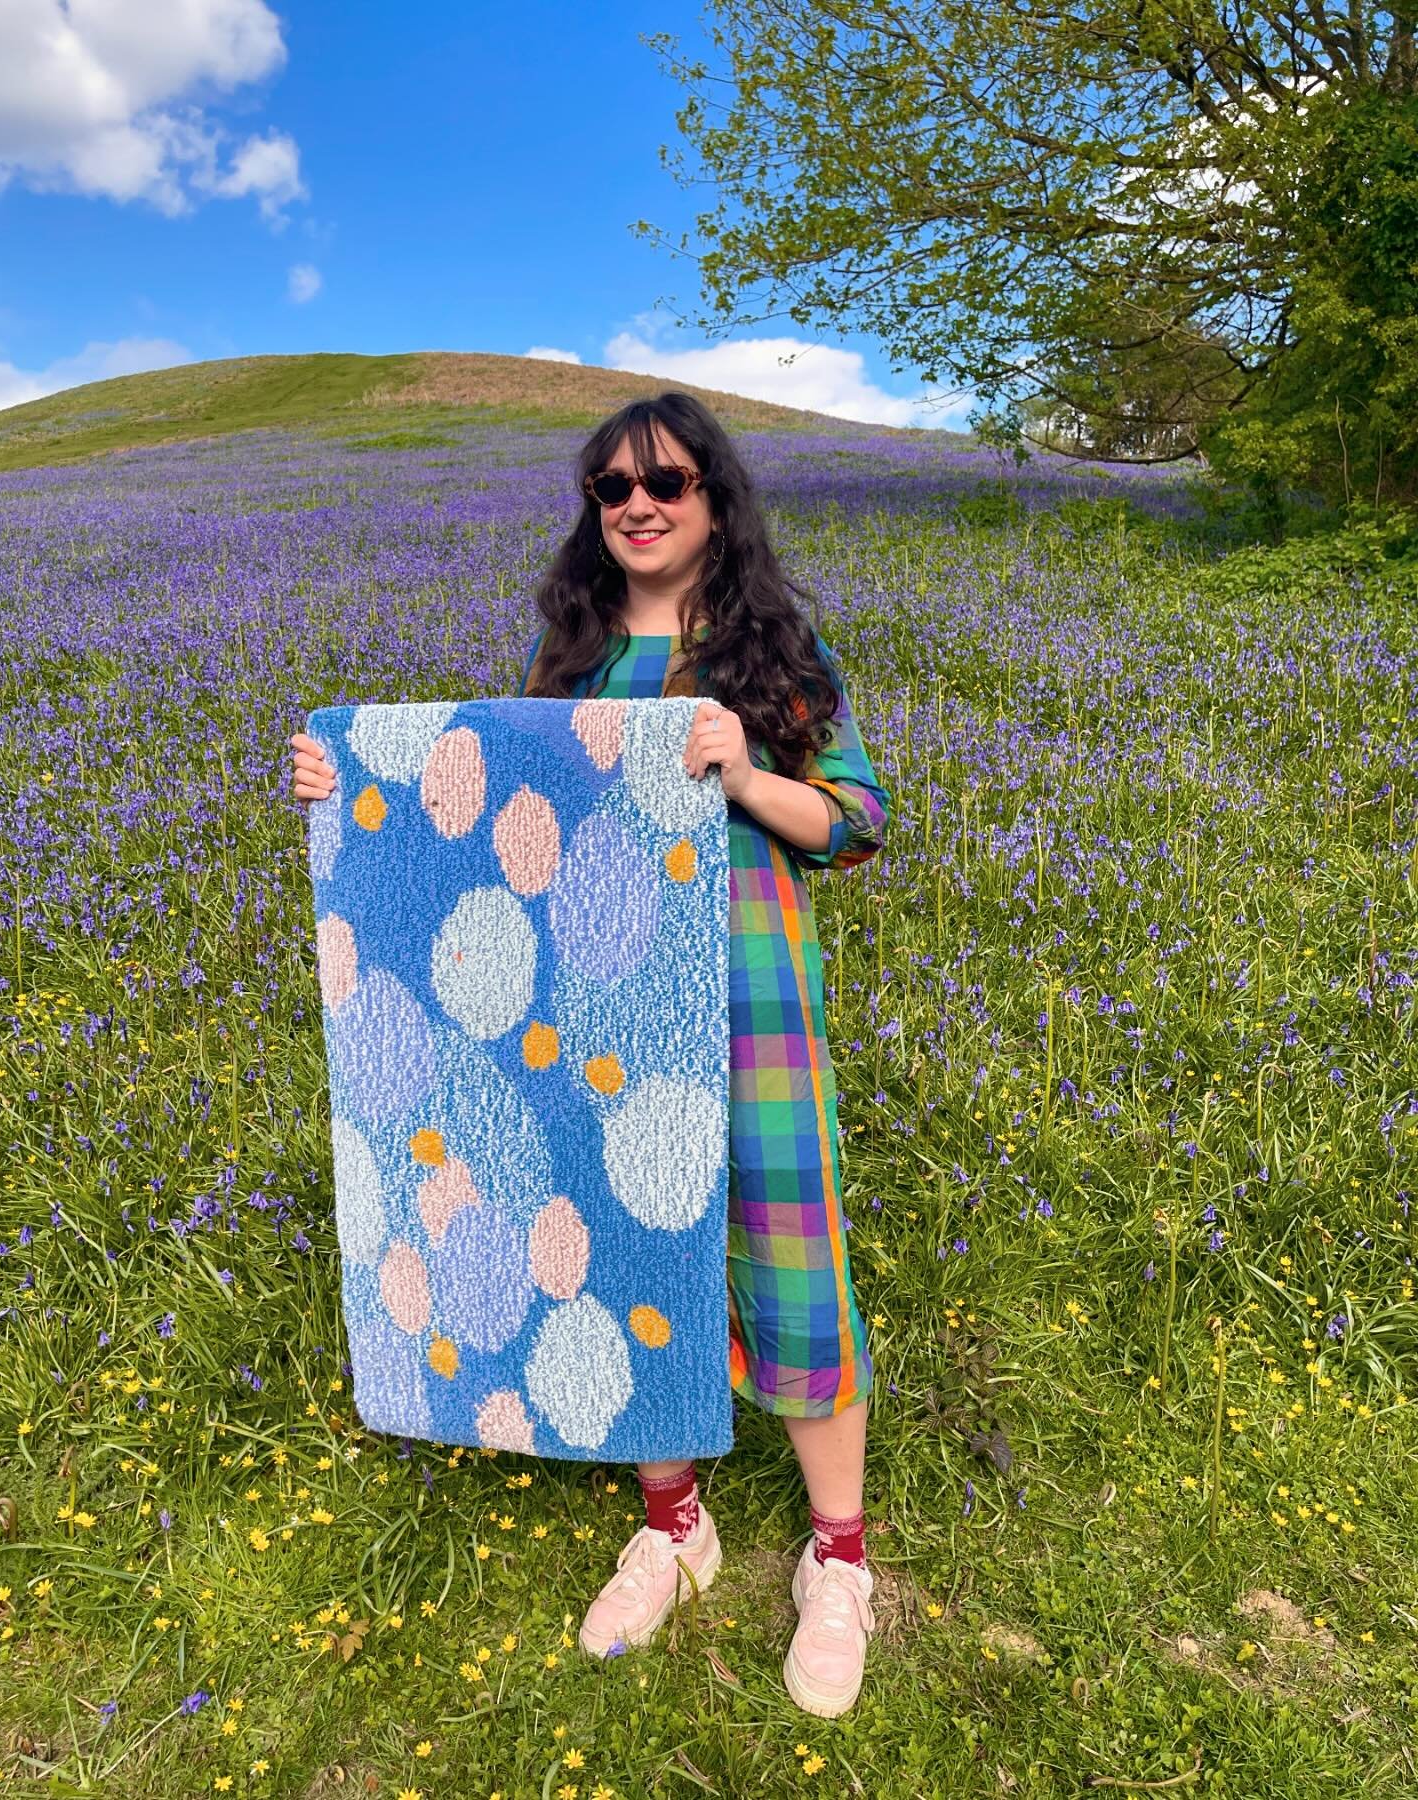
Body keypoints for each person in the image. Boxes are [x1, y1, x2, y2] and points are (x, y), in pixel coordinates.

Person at [290, 391, 890, 1718]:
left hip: (757, 1011)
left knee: (793, 1254)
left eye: (666, 480)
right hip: (612, 1031)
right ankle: (676, 1527)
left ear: (715, 501)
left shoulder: (776, 658)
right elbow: (475, 828)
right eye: (611, 485)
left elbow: (855, 821)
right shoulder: (564, 673)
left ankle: (839, 1561)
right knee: (631, 1254)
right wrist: (355, 791)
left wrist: (742, 771)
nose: (638, 502)